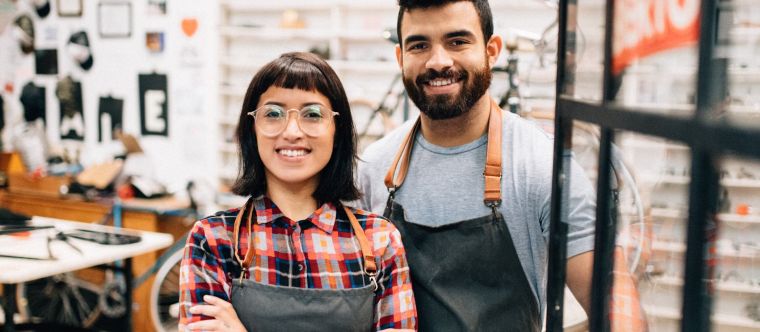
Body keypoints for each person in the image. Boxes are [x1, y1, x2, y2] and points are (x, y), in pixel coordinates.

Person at [358, 1, 598, 331]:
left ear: (492, 50)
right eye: (419, 45)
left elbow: (616, 313)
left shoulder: (543, 165)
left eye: (457, 41)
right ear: (401, 58)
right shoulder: (373, 168)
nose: (438, 61)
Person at [179, 52, 417, 331]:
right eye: (273, 113)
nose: (292, 131)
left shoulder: (379, 241)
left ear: (337, 132)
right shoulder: (213, 240)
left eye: (312, 114)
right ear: (251, 130)